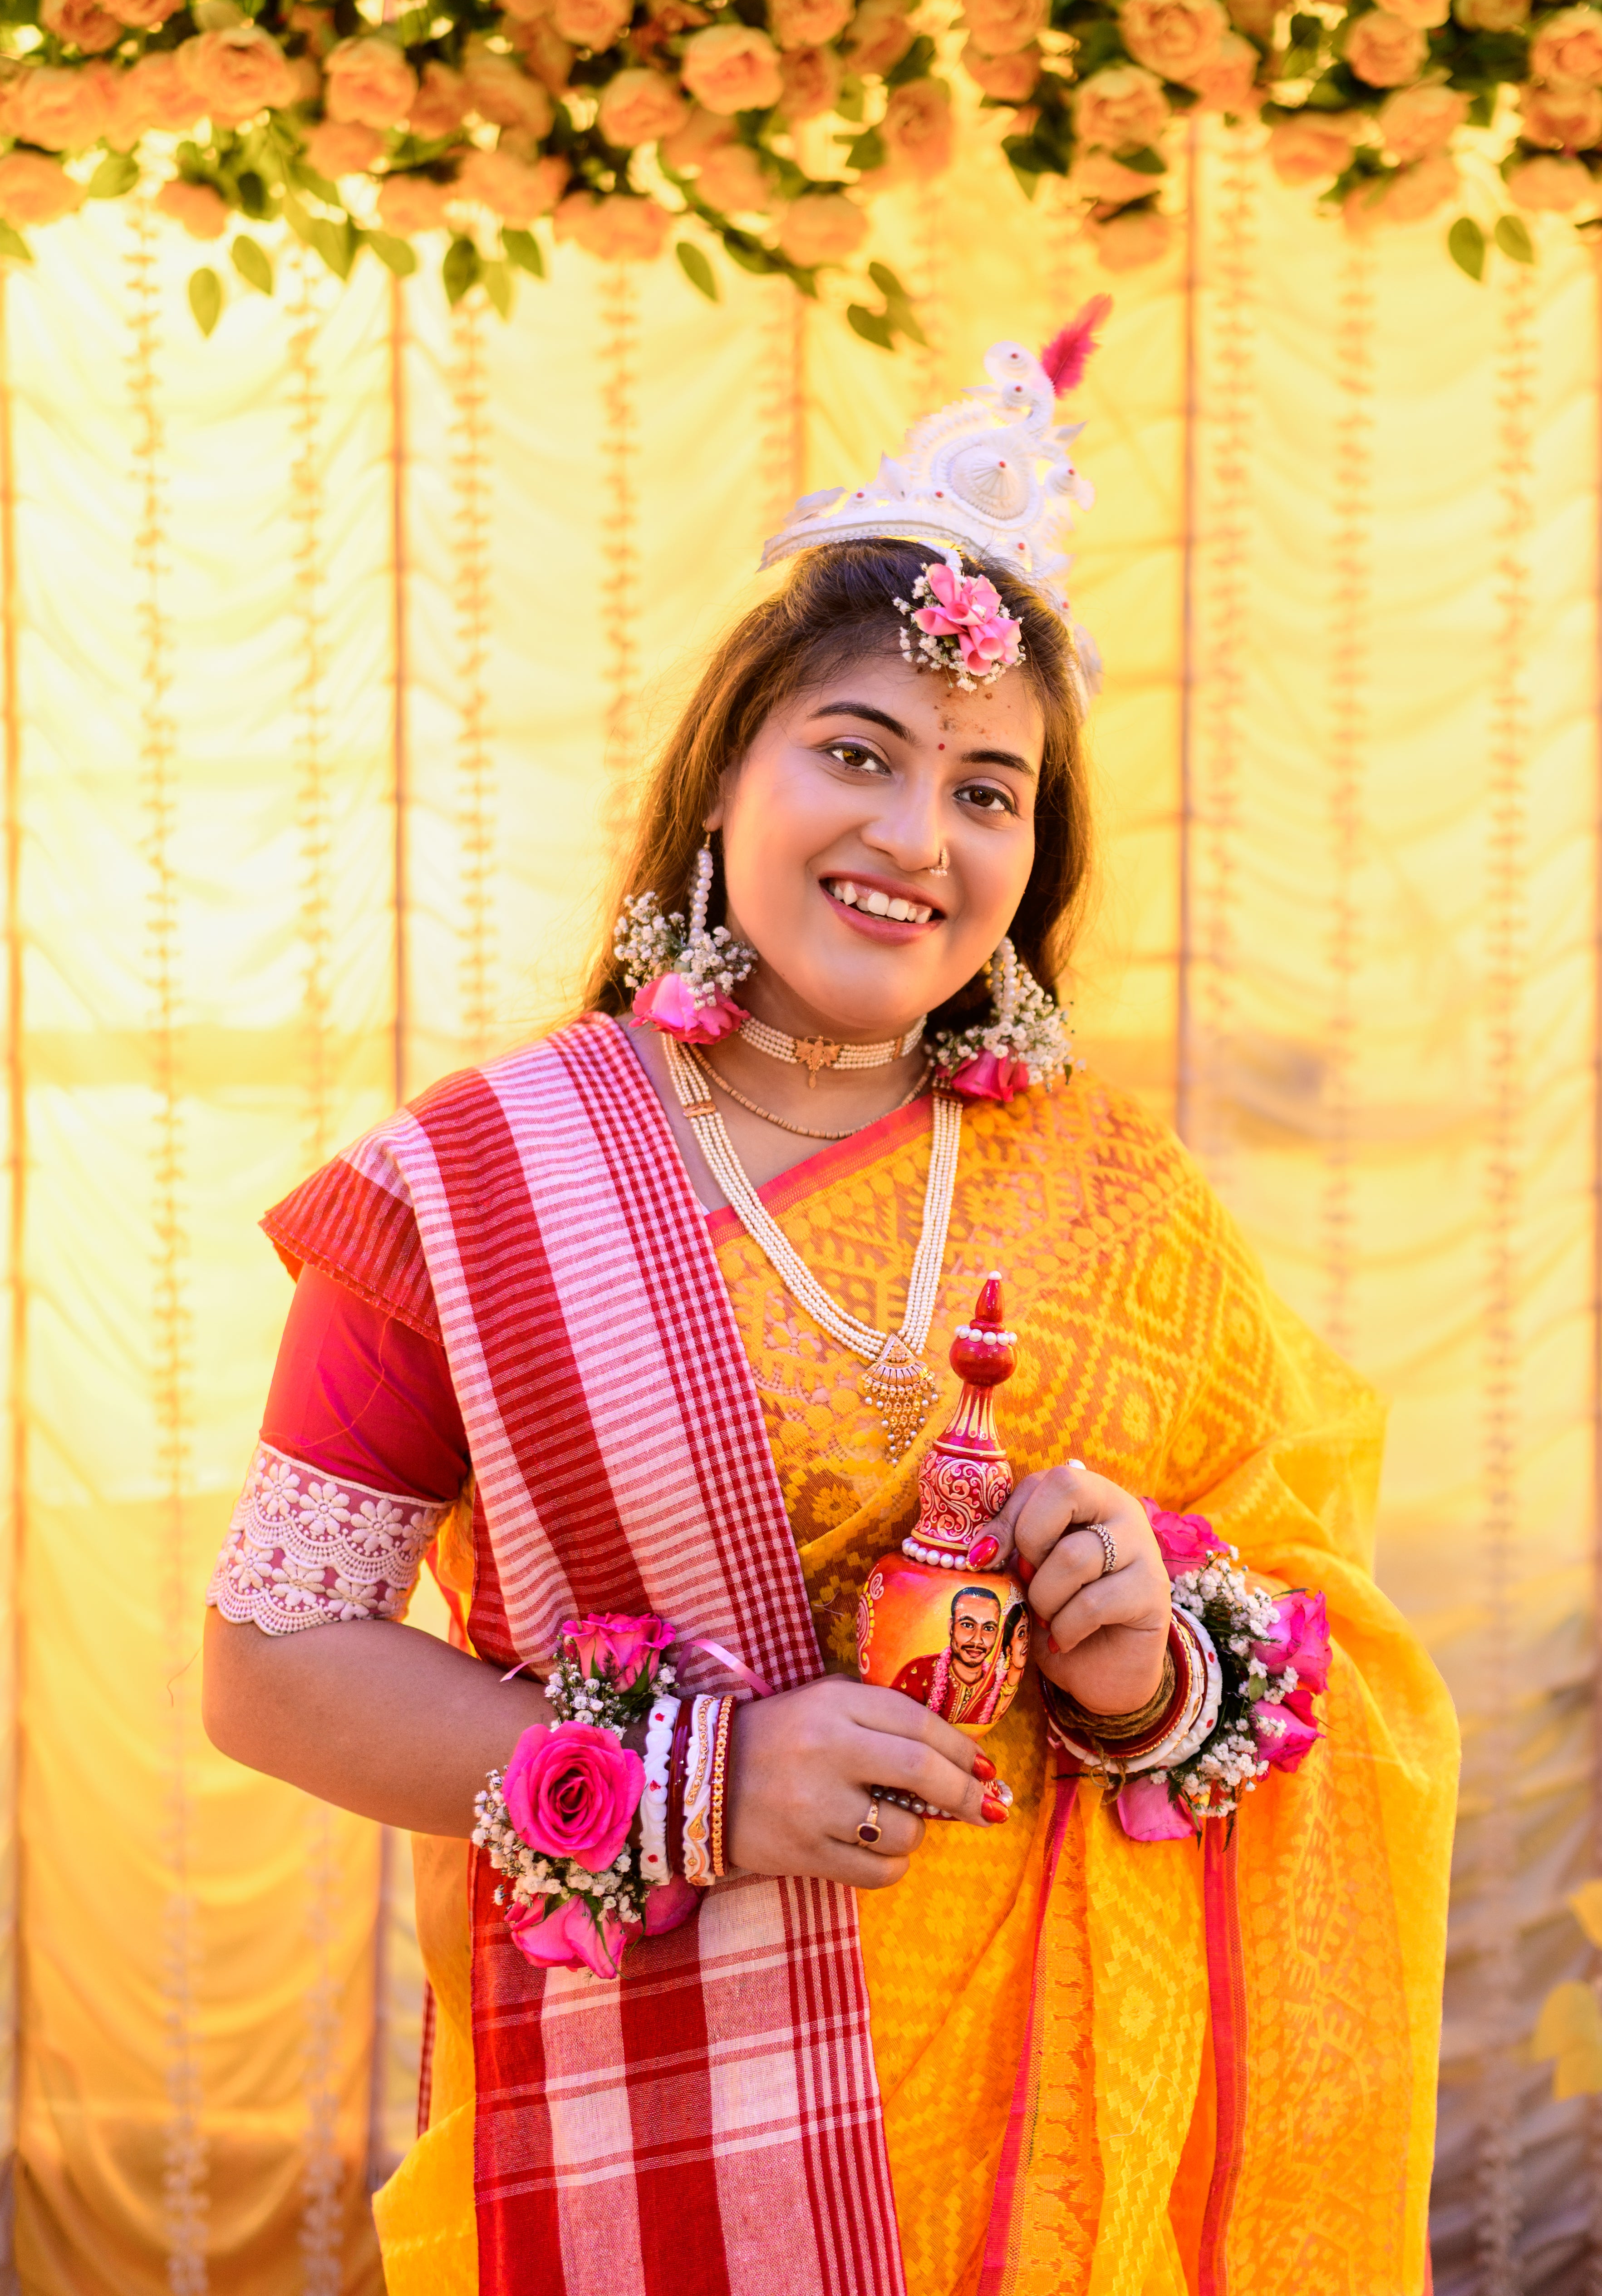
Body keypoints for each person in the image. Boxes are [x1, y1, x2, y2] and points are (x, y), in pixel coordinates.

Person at [202, 324, 1459, 2296]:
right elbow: (271, 1661)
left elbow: (1319, 1646)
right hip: (645, 2139)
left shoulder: (1121, 1197)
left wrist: (1154, 1664)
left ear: (1031, 857)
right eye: (855, 753)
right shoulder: (474, 1183)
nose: (913, 837)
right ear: (726, 781)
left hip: (1039, 2176)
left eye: (987, 788)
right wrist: (710, 1788)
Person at [892, 1585, 1022, 1727]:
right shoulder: (918, 1673)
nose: (978, 1640)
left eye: (989, 1628)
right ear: (951, 1627)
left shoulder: (996, 1687)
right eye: (967, 1625)